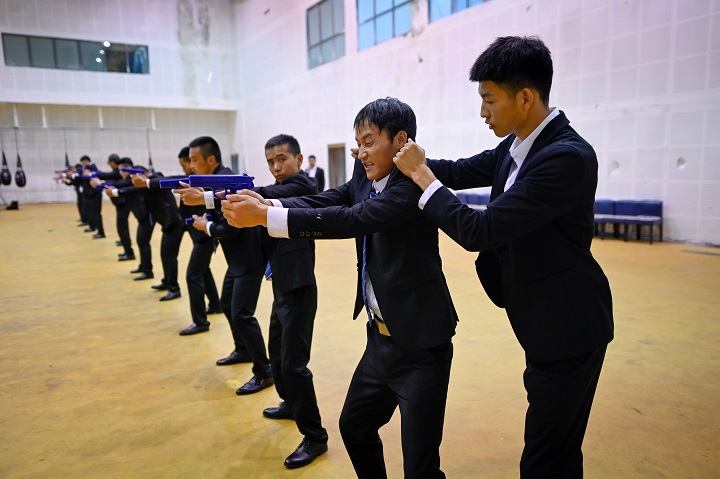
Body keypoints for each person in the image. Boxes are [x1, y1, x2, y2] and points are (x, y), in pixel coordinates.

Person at [392, 36, 614, 479]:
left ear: (525, 97)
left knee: (544, 458)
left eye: (489, 100)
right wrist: (400, 160)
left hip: (570, 327)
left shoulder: (565, 158)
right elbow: (457, 170)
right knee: (559, 445)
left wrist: (420, 175)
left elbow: (481, 230)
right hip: (543, 320)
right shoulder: (516, 145)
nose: (483, 112)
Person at [222, 101, 458, 478]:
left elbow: (351, 219)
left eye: (369, 141)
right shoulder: (364, 174)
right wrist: (271, 203)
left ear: (401, 141)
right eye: (357, 142)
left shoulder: (412, 185)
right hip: (379, 341)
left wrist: (267, 218)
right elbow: (332, 198)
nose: (361, 152)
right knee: (354, 426)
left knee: (420, 467)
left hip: (421, 345)